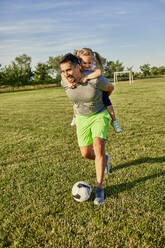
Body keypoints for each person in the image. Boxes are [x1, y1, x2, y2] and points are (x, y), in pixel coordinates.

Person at [59, 53, 114, 205]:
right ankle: (105, 159)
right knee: (85, 153)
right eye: (63, 71)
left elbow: (110, 88)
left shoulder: (95, 80)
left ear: (78, 66)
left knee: (98, 146)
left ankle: (99, 189)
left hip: (99, 114)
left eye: (69, 69)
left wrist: (99, 101)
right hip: (82, 118)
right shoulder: (64, 82)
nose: (66, 74)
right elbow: (66, 79)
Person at [70, 48, 122, 133]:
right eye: (84, 63)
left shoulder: (93, 67)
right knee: (76, 102)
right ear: (79, 62)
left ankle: (114, 121)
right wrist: (71, 83)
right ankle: (75, 117)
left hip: (98, 88)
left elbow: (98, 73)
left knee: (108, 104)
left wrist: (86, 77)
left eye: (89, 63)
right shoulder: (78, 67)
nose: (87, 65)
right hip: (85, 89)